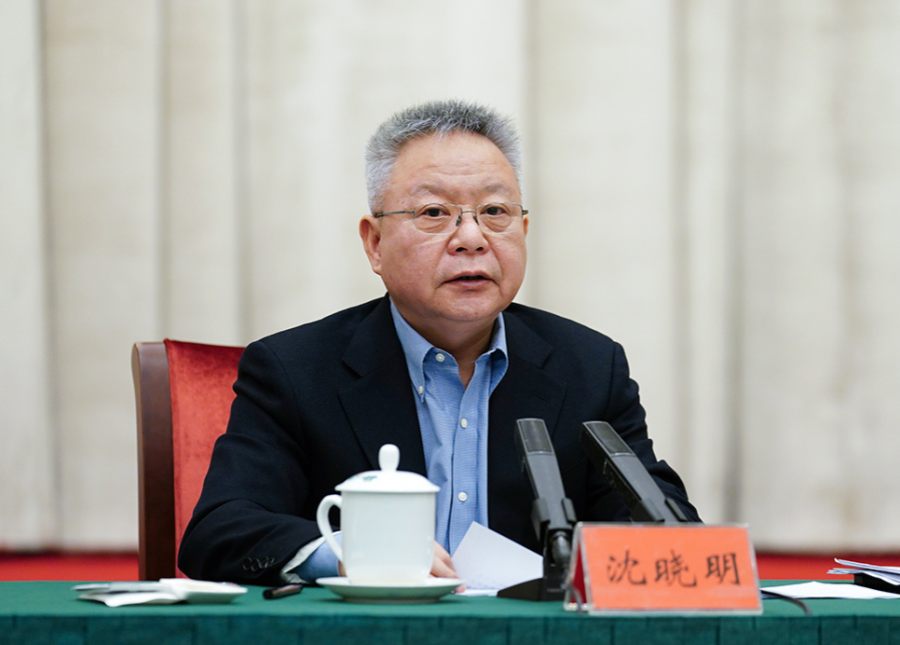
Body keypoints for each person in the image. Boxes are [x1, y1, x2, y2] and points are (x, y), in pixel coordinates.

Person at [178, 100, 700, 586]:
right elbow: (221, 532)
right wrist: (350, 551)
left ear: (523, 230)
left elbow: (662, 527)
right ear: (374, 243)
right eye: (433, 213)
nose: (471, 238)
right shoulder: (295, 370)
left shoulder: (589, 367)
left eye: (494, 212)